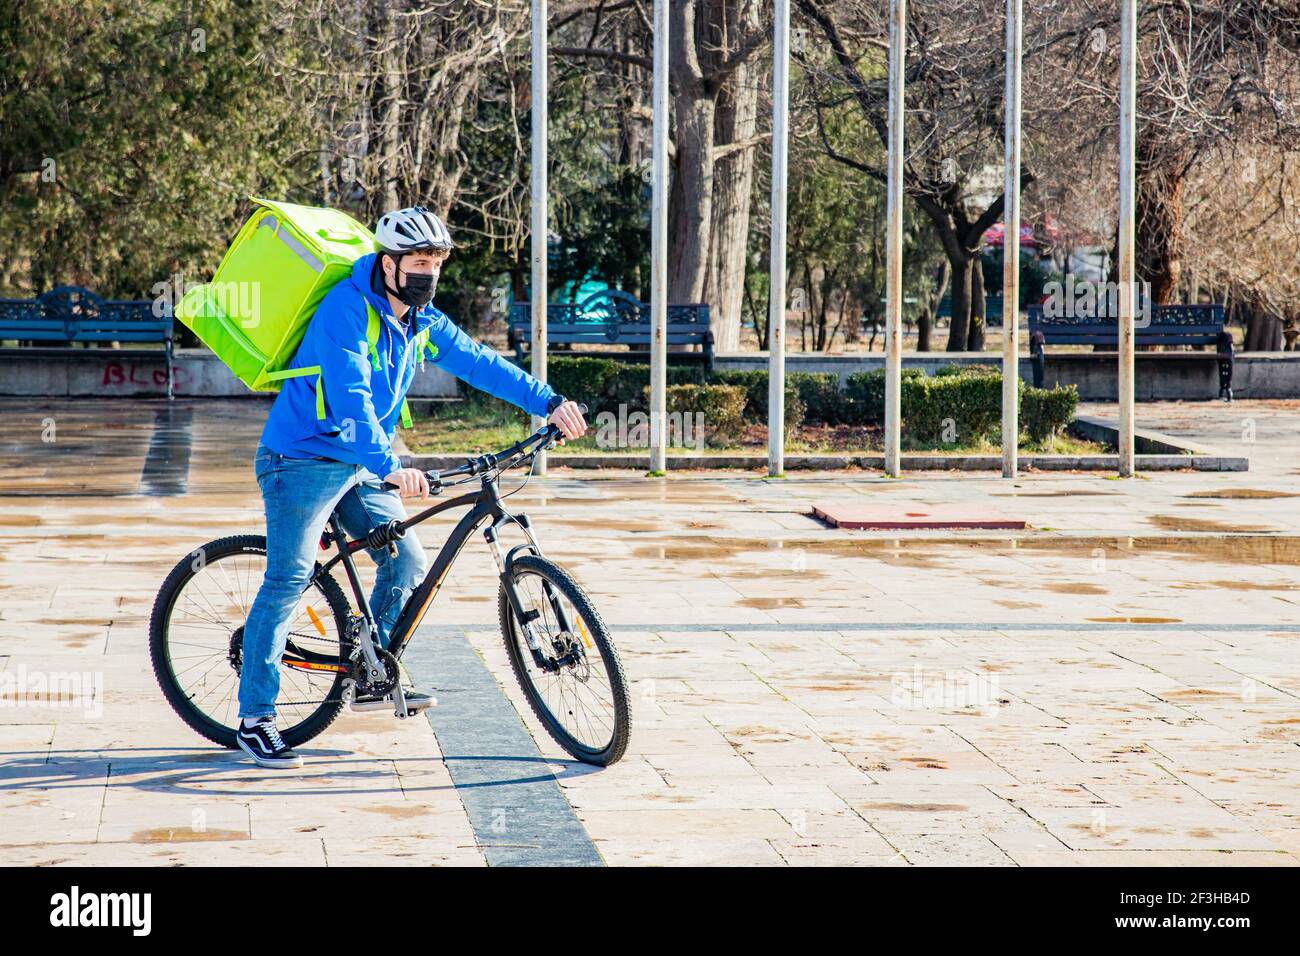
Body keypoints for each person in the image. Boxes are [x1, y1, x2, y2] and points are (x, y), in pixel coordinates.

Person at [235, 205, 586, 768]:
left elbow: (479, 362)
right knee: (289, 578)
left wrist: (548, 401)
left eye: (437, 264)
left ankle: (370, 672)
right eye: (419, 263)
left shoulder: (420, 320)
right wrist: (389, 463)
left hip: (363, 464)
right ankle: (256, 716)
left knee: (406, 562)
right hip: (300, 459)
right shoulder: (345, 309)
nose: (430, 274)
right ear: (388, 264)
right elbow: (349, 397)